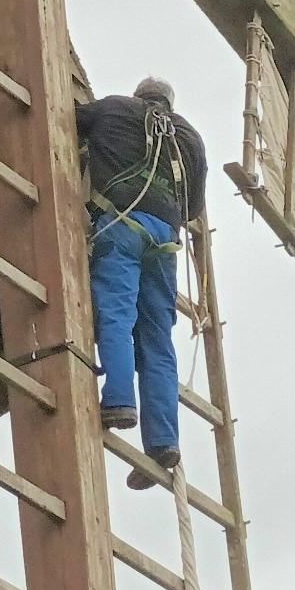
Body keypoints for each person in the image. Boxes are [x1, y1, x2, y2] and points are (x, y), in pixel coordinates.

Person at [77, 76, 207, 489]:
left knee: (116, 312)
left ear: (140, 96)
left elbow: (67, 119)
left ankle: (118, 401)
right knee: (157, 338)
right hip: (166, 241)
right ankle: (164, 441)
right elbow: (193, 207)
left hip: (121, 223)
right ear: (170, 103)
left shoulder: (113, 108)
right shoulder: (190, 138)